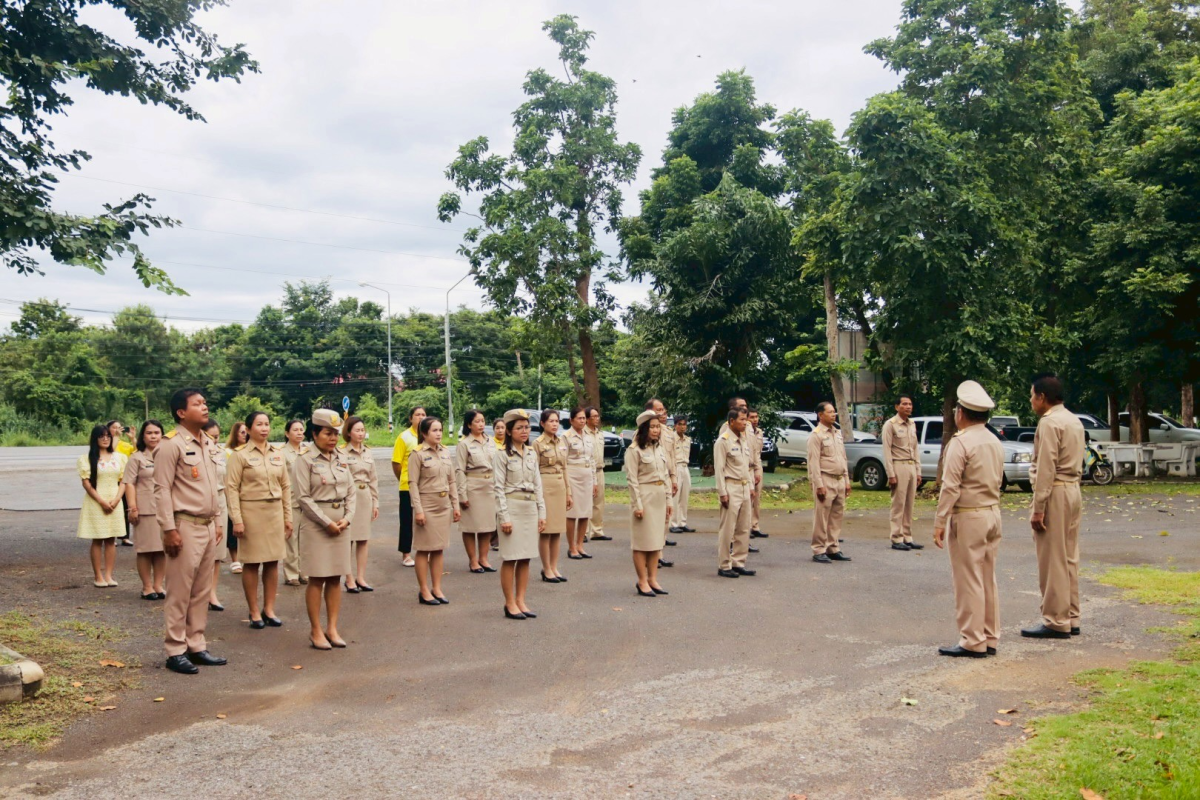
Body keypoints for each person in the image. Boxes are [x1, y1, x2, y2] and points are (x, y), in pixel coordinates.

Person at [153, 388, 227, 675]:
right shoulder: (170, 445)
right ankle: (175, 650)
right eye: (197, 404)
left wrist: (218, 520)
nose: (204, 407)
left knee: (201, 590)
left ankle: (196, 644)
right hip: (184, 525)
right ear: (181, 413)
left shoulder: (207, 442)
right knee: (179, 592)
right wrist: (169, 529)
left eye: (205, 402)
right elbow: (161, 490)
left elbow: (213, 486)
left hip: (208, 525)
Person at [933, 381, 1005, 657]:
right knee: (987, 577)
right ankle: (989, 636)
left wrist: (940, 521)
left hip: (968, 516)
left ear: (961, 413)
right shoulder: (994, 440)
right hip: (992, 513)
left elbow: (950, 487)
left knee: (968, 579)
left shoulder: (960, 443)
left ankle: (972, 639)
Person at [1022, 374, 1086, 640]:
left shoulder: (1049, 423)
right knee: (1069, 556)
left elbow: (1046, 468)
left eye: (1031, 395)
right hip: (1073, 489)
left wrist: (1038, 507)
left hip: (1055, 491)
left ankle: (1055, 620)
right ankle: (1071, 616)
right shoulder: (1073, 419)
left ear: (1042, 397)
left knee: (1052, 559)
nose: (1030, 400)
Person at [293, 409, 356, 650]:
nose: (333, 438)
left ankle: (332, 627)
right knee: (317, 578)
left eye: (336, 434)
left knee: (335, 578)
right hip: (317, 525)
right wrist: (326, 522)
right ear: (315, 433)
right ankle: (315, 630)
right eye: (328, 433)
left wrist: (347, 518)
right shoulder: (305, 460)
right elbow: (303, 497)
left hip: (340, 524)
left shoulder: (341, 457)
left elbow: (351, 491)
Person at [226, 411, 292, 629]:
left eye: (267, 424)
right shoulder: (240, 455)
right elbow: (232, 488)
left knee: (273, 561)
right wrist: (237, 519)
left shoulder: (277, 453)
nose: (264, 428)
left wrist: (288, 516)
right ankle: (254, 610)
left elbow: (285, 486)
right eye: (259, 424)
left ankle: (269, 609)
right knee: (252, 563)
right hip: (251, 512)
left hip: (274, 512)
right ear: (249, 428)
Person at [494, 409, 546, 620]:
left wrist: (542, 512)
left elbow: (538, 484)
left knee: (526, 558)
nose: (525, 431)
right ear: (508, 431)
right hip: (512, 507)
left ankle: (521, 600)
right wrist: (504, 517)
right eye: (519, 428)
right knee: (510, 558)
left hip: (529, 507)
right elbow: (498, 488)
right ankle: (509, 603)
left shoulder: (532, 452)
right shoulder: (501, 455)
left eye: (527, 427)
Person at [408, 416, 459, 605]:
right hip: (427, 505)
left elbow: (452, 481)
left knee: (439, 549)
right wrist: (418, 510)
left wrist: (456, 505)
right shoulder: (417, 454)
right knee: (424, 549)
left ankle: (437, 587)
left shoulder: (445, 452)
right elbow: (412, 483)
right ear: (424, 433)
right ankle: (423, 590)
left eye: (440, 430)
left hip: (443, 505)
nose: (439, 434)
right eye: (434, 430)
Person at [625, 410, 672, 597]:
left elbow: (666, 476)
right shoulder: (634, 450)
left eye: (657, 427)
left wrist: (669, 500)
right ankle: (642, 580)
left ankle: (653, 578)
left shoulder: (659, 448)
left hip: (660, 496)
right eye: (652, 427)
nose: (655, 430)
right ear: (644, 429)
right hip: (644, 496)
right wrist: (637, 504)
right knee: (642, 542)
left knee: (656, 542)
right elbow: (632, 479)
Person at [78, 424, 127, 587]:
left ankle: (109, 575)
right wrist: (101, 501)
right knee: (98, 539)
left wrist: (117, 499)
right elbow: (86, 483)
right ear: (95, 439)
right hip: (96, 501)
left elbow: (124, 481)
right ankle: (98, 575)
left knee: (111, 539)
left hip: (115, 500)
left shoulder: (120, 457)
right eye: (101, 436)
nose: (105, 439)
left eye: (108, 436)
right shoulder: (86, 458)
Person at [123, 420, 166, 599]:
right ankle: (147, 586)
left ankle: (158, 585)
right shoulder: (137, 457)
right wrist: (132, 508)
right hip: (145, 509)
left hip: (166, 509)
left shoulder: (167, 455)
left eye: (157, 432)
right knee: (145, 549)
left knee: (162, 549)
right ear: (143, 436)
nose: (153, 436)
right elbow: (129, 483)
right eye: (149, 433)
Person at [807, 402, 852, 564]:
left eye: (834, 412)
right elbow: (813, 462)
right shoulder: (816, 435)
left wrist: (847, 480)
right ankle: (819, 549)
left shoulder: (837, 433)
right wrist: (818, 484)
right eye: (830, 412)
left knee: (836, 515)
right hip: (825, 479)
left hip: (839, 479)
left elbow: (843, 457)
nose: (834, 415)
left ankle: (832, 547)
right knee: (822, 516)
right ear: (820, 415)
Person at [714, 409, 757, 578]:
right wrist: (722, 492)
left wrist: (751, 487)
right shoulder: (723, 442)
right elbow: (719, 469)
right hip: (730, 486)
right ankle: (724, 565)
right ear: (731, 421)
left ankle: (738, 562)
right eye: (742, 420)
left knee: (744, 528)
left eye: (746, 420)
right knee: (728, 529)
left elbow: (747, 466)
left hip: (745, 486)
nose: (745, 423)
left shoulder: (744, 439)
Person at [456, 409, 497, 574]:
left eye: (483, 420)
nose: (481, 424)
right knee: (470, 526)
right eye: (477, 421)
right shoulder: (464, 444)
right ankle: (473, 561)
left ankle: (484, 559)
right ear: (469, 425)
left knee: (487, 526)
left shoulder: (491, 441)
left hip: (490, 486)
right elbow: (460, 470)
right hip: (473, 486)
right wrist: (462, 494)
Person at [340, 416, 379, 593]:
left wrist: (375, 502)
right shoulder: (342, 453)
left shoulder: (368, 452)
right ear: (348, 432)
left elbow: (374, 479)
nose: (361, 433)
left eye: (363, 430)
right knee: (348, 540)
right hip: (349, 497)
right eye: (357, 430)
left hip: (365, 497)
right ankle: (348, 578)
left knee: (363, 539)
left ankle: (361, 577)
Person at [534, 409, 572, 578]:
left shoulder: (561, 442)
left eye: (557, 421)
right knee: (546, 530)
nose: (555, 424)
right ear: (542, 423)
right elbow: (533, 470)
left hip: (559, 487)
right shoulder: (537, 443)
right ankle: (546, 568)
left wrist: (568, 493)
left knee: (557, 530)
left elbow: (564, 468)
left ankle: (554, 567)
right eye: (551, 421)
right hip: (545, 486)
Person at [883, 395, 923, 552]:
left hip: (911, 465)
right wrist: (891, 474)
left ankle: (907, 536)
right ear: (897, 407)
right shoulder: (890, 425)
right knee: (898, 504)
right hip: (898, 465)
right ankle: (896, 537)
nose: (908, 407)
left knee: (909, 504)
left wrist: (918, 471)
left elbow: (915, 448)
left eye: (910, 404)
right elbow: (886, 451)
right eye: (904, 404)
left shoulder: (912, 424)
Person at [391, 406, 426, 568]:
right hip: (407, 486)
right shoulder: (404, 437)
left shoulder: (428, 436)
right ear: (410, 418)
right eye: (417, 415)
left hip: (426, 486)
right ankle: (406, 553)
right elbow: (396, 463)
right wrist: (403, 479)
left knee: (425, 520)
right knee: (407, 521)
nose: (421, 417)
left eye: (423, 414)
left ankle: (425, 550)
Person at [201, 420, 229, 612]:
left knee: (217, 554)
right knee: (199, 553)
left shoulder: (222, 453)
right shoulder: (192, 451)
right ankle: (198, 594)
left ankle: (212, 593)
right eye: (209, 436)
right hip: (200, 502)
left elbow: (226, 481)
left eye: (217, 436)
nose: (214, 440)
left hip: (220, 500)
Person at [647, 399, 678, 557]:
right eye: (658, 410)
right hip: (651, 479)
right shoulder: (643, 433)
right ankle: (652, 554)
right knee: (652, 519)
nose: (661, 413)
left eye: (663, 410)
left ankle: (659, 553)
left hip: (666, 476)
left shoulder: (668, 431)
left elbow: (672, 456)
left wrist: (673, 478)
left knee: (666, 516)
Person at [280, 419, 308, 586]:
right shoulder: (282, 453)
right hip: (290, 500)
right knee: (291, 538)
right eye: (295, 430)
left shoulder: (308, 452)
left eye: (301, 429)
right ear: (287, 433)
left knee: (305, 539)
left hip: (307, 500)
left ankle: (303, 572)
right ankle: (291, 574)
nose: (299, 432)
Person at [564, 408, 595, 560]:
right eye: (579, 418)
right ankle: (571, 547)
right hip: (573, 476)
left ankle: (580, 545)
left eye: (584, 418)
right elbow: (563, 462)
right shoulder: (566, 437)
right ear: (571, 420)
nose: (582, 421)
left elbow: (592, 459)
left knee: (585, 513)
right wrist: (566, 486)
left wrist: (594, 481)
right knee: (572, 513)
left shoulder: (589, 436)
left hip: (587, 476)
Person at [225, 421, 249, 574]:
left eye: (246, 431)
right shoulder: (228, 452)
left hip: (248, 495)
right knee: (232, 525)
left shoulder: (252, 451)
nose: (245, 435)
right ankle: (235, 560)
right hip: (233, 492)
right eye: (242, 432)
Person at [585, 407, 611, 542]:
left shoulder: (600, 434)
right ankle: (582, 533)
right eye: (593, 416)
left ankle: (597, 531)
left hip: (600, 470)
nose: (597, 419)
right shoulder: (583, 433)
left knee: (599, 502)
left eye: (597, 416)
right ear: (587, 419)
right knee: (585, 502)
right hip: (587, 471)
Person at [108, 420, 136, 546]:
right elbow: (110, 453)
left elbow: (137, 452)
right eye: (114, 428)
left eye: (119, 428)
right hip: (111, 480)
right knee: (113, 508)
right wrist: (115, 437)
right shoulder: (106, 443)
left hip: (124, 480)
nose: (117, 430)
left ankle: (124, 536)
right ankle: (111, 536)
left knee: (126, 507)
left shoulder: (125, 444)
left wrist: (133, 439)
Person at [668, 416, 693, 534]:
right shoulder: (671, 438)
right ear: (675, 425)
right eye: (680, 424)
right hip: (676, 466)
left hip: (685, 466)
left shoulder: (688, 439)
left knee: (684, 496)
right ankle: (672, 523)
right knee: (675, 496)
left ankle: (682, 522)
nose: (682, 427)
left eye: (684, 424)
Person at [747, 409, 766, 541]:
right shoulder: (744, 432)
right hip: (747, 466)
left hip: (757, 464)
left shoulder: (759, 432)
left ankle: (755, 525)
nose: (755, 419)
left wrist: (758, 471)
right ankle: (746, 527)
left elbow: (758, 453)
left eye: (756, 417)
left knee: (757, 499)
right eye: (752, 417)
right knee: (748, 499)